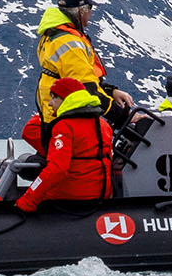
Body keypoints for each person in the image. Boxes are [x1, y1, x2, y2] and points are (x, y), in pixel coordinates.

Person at [34, 0, 133, 128]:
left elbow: (80, 78)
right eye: (90, 9)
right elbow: (86, 88)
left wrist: (112, 92)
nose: (90, 14)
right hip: (64, 118)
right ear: (82, 11)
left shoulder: (54, 35)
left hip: (54, 112)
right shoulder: (68, 43)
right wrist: (123, 117)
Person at [16, 77, 116, 212]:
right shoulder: (103, 125)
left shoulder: (64, 126)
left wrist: (28, 200)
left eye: (53, 98)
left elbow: (57, 168)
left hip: (69, 197)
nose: (50, 104)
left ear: (65, 100)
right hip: (99, 196)